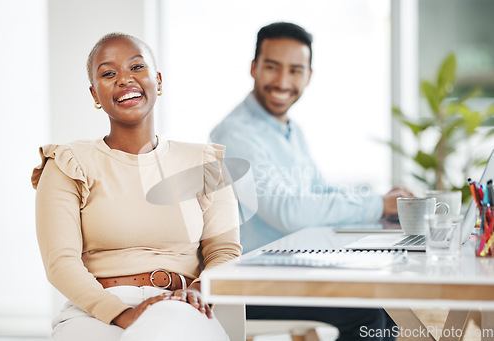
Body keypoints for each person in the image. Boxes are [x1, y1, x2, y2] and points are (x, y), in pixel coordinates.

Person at [31, 32, 241, 341]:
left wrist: (199, 291)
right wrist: (123, 315)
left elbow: (225, 251)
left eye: (137, 67)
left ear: (158, 80)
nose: (124, 80)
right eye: (108, 73)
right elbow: (60, 263)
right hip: (96, 311)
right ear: (94, 94)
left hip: (182, 304)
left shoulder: (205, 162)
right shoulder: (67, 163)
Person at [210, 22, 412, 340]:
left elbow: (318, 191)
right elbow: (290, 212)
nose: (282, 82)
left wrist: (381, 202)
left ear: (308, 75)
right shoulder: (236, 135)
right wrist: (376, 205)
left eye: (295, 70)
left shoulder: (290, 130)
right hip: (248, 283)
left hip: (291, 271)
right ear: (253, 68)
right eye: (272, 68)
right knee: (368, 313)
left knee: (386, 304)